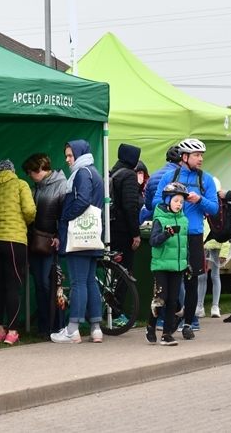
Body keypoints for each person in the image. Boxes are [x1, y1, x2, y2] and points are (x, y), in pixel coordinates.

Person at [155, 138, 219, 339]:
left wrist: (199, 200)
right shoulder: (169, 176)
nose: (200, 159)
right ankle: (176, 314)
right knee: (173, 281)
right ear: (184, 157)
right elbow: (156, 202)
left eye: (201, 155)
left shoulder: (205, 179)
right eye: (196, 155)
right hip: (173, 235)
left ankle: (189, 324)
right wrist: (174, 197)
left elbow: (215, 208)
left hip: (194, 236)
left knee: (192, 282)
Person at [51, 140, 106, 343]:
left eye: (70, 156)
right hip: (93, 235)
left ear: (79, 154)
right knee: (90, 281)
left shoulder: (82, 173)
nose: (67, 160)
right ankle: (96, 328)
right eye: (66, 156)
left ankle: (72, 329)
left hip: (78, 235)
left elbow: (82, 200)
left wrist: (66, 217)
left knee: (78, 282)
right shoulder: (94, 172)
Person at [0, 159, 36, 346]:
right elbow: (29, 210)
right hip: (14, 241)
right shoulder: (21, 184)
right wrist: (26, 221)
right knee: (13, 286)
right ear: (12, 171)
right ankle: (12, 331)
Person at [23, 153, 67, 337]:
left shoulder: (62, 185)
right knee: (40, 284)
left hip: (50, 242)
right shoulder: (35, 188)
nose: (29, 176)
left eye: (30, 172)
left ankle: (56, 325)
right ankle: (44, 326)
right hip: (35, 242)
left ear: (39, 169)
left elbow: (65, 215)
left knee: (48, 284)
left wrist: (59, 236)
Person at [146, 183, 190, 346]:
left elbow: (186, 245)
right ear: (168, 200)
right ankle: (151, 326)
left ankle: (166, 334)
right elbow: (153, 242)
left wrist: (188, 263)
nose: (179, 204)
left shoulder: (184, 221)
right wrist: (165, 234)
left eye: (181, 201)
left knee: (173, 300)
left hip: (178, 266)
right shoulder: (160, 219)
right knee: (160, 300)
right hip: (161, 266)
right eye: (176, 200)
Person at [109, 143, 143, 322]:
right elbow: (131, 207)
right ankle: (117, 313)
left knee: (112, 273)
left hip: (110, 230)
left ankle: (110, 312)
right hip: (123, 231)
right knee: (124, 273)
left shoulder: (112, 173)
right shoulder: (129, 175)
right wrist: (135, 233)